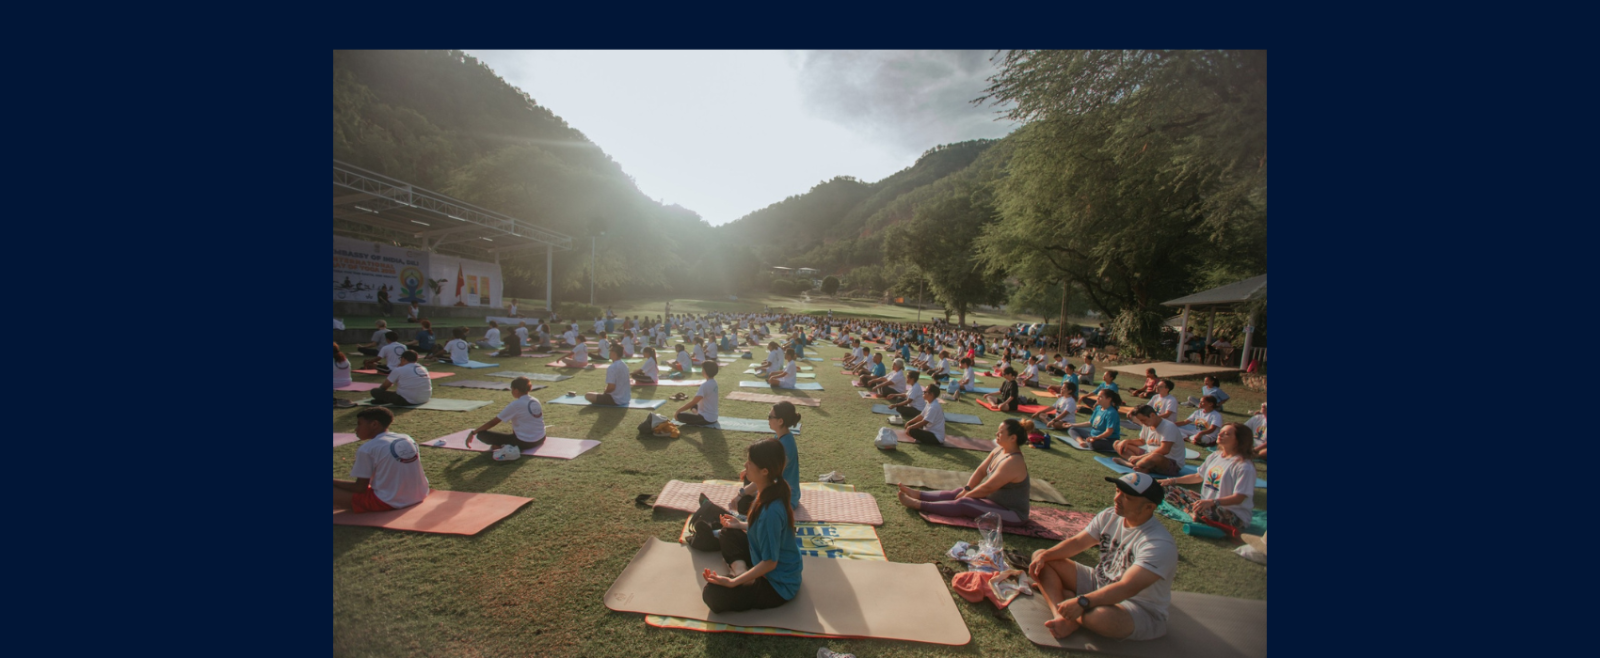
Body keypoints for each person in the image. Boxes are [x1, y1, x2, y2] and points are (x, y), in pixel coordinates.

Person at [1025, 472, 1178, 641]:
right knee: (1042, 557)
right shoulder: (1110, 515)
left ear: (1149, 507)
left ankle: (1068, 602)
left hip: (1136, 606)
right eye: (1117, 491)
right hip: (1099, 582)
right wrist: (1045, 556)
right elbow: (1077, 542)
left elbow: (1127, 588)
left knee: (1100, 618)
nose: (1117, 499)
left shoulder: (1159, 544)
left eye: (1127, 497)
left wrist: (1082, 602)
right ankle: (1061, 616)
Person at [699, 439, 804, 613]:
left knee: (712, 594)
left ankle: (741, 575)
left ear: (764, 471)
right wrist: (739, 524)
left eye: (749, 462)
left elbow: (770, 563)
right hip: (761, 558)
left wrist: (733, 582)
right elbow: (763, 529)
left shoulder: (771, 510)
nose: (745, 465)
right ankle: (742, 572)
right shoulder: (767, 491)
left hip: (778, 584)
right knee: (727, 532)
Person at [896, 417, 1030, 522]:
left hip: (1013, 514)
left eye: (1001, 432)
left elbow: (988, 488)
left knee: (964, 502)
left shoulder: (1014, 462)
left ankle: (919, 504)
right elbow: (981, 471)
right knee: (959, 491)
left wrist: (966, 496)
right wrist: (967, 489)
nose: (997, 434)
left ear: (1013, 438)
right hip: (993, 502)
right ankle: (918, 494)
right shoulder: (999, 450)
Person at [1163, 423, 1258, 532]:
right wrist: (1171, 481)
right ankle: (1193, 512)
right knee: (1168, 489)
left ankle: (1194, 513)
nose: (1220, 435)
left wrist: (1213, 502)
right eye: (1221, 432)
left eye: (1226, 434)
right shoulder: (1215, 455)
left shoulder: (1244, 467)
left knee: (1203, 511)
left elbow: (1239, 497)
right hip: (1207, 503)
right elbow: (1198, 476)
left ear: (1239, 440)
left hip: (1232, 514)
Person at [333, 407, 429, 513]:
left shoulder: (367, 448)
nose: (356, 429)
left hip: (387, 501)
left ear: (374, 424)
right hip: (419, 495)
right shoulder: (407, 438)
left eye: (359, 424)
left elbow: (360, 488)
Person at [466, 377, 546, 459]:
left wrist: (473, 432)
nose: (511, 391)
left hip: (526, 443)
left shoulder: (516, 404)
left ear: (516, 390)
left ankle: (505, 446)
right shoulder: (535, 400)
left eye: (512, 389)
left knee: (481, 434)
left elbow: (493, 422)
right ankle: (507, 444)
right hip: (541, 438)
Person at [1116, 405, 1186, 476]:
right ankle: (1142, 466)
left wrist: (1139, 457)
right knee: (1117, 444)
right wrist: (1127, 441)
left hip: (1169, 462)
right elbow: (1142, 441)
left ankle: (1134, 464)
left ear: (1152, 415)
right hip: (1148, 455)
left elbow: (1164, 450)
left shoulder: (1168, 427)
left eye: (1143, 420)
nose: (1142, 422)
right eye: (1140, 420)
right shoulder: (1147, 425)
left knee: (1155, 457)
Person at [675, 361, 720, 426]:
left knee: (679, 415)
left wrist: (678, 411)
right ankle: (696, 412)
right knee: (693, 406)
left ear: (705, 371)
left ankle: (696, 414)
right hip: (713, 417)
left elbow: (693, 402)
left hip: (706, 418)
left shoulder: (705, 385)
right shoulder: (714, 382)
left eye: (702, 369)